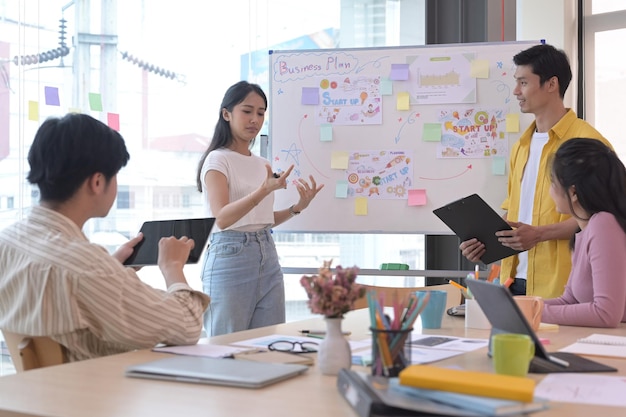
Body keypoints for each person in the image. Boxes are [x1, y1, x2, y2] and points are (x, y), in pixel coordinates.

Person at [0, 113, 210, 362]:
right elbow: (186, 327)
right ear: (97, 182)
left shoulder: (8, 242)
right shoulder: (86, 266)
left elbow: (71, 291)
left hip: (34, 396)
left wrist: (113, 269)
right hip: (93, 397)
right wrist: (173, 268)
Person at [459, 43, 612, 298]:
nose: (516, 91)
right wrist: (486, 241)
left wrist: (539, 235)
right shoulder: (521, 145)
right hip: (511, 281)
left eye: (524, 82)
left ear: (551, 84)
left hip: (564, 287)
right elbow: (513, 212)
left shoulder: (589, 143)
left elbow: (605, 217)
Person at [197, 81, 323, 336]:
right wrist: (264, 190)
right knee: (227, 346)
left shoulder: (262, 163)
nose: (255, 119)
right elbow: (221, 218)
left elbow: (260, 219)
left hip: (267, 252)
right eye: (247, 111)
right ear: (226, 114)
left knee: (268, 343)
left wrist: (297, 207)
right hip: (230, 254)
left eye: (261, 112)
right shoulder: (217, 159)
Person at [541, 138, 626, 327]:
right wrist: (522, 305)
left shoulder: (604, 224)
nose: (550, 191)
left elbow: (606, 313)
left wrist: (534, 311)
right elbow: (570, 300)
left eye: (553, 183)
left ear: (573, 192)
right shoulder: (586, 229)